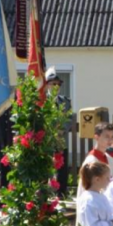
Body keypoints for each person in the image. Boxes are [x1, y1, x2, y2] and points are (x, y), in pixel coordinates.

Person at [46, 67, 74, 197]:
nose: (56, 86)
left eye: (58, 84)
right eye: (53, 83)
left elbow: (70, 117)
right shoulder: (42, 101)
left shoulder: (65, 101)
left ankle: (61, 193)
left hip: (61, 140)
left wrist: (62, 130)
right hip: (46, 140)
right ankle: (44, 193)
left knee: (61, 168)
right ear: (47, 85)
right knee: (46, 168)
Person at [78, 123, 113, 198]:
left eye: (112, 137)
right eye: (107, 136)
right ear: (96, 137)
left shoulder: (110, 158)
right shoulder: (91, 160)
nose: (110, 140)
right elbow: (84, 187)